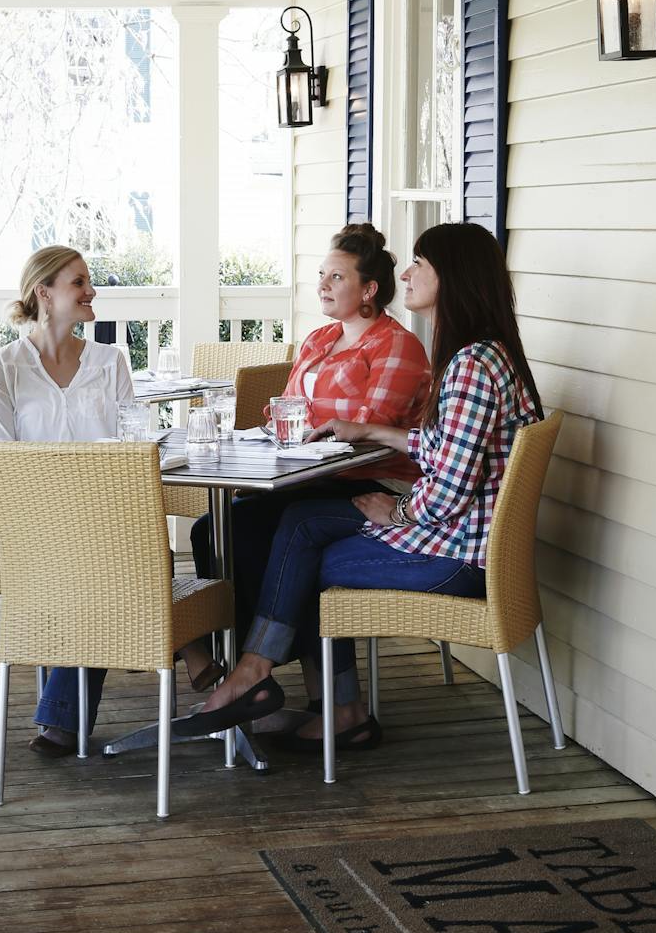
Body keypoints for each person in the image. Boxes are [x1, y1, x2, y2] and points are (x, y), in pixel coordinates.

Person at [189, 222, 542, 752]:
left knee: (297, 548)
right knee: (292, 527)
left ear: (455, 278)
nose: (407, 273)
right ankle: (318, 700)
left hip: (456, 555)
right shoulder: (488, 356)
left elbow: (447, 491)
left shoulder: (469, 365)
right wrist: (375, 430)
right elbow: (450, 451)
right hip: (465, 540)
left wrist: (396, 510)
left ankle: (261, 678)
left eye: (420, 263)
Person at [0, 246, 222, 758]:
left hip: (109, 520)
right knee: (113, 566)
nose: (91, 292)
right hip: (38, 524)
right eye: (79, 282)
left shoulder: (110, 361)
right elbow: (1, 463)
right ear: (44, 293)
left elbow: (133, 447)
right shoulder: (4, 368)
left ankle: (62, 721)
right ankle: (189, 642)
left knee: (106, 559)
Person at [189, 223, 429, 668]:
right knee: (212, 530)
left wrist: (309, 427)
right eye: (322, 274)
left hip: (371, 483)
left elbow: (371, 429)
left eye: (336, 277)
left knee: (266, 530)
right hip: (309, 476)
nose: (322, 284)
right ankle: (239, 663)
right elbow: (284, 410)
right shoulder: (320, 340)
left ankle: (256, 669)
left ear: (368, 289)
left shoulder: (397, 345)